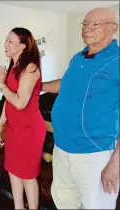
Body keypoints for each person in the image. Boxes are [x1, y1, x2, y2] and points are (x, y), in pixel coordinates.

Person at [42, 7, 119, 209]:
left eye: (96, 24)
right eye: (85, 24)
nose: (87, 28)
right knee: (65, 202)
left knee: (96, 205)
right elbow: (64, 84)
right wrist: (37, 85)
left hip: (94, 152)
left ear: (113, 29)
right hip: (61, 147)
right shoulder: (79, 57)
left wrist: (116, 162)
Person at [0, 27, 46, 209]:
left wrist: (0, 84)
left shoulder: (30, 68)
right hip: (14, 128)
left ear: (23, 45)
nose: (5, 44)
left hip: (30, 129)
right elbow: (8, 101)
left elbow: (20, 103)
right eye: (5, 40)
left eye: (10, 41)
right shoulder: (13, 67)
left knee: (27, 176)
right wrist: (1, 124)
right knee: (13, 171)